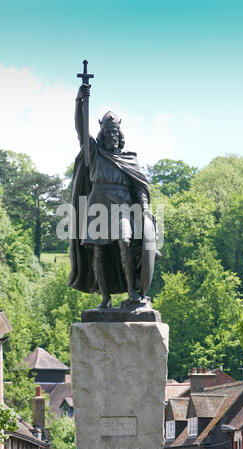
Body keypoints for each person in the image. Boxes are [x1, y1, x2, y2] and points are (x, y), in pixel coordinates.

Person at [68, 83, 158, 308]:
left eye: (115, 131)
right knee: (98, 252)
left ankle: (132, 292)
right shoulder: (94, 152)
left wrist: (145, 208)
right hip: (97, 203)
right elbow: (80, 129)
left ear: (120, 134)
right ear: (102, 133)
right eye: (108, 131)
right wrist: (79, 101)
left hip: (122, 206)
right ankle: (105, 297)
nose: (112, 134)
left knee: (125, 242)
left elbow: (139, 188)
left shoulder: (130, 159)